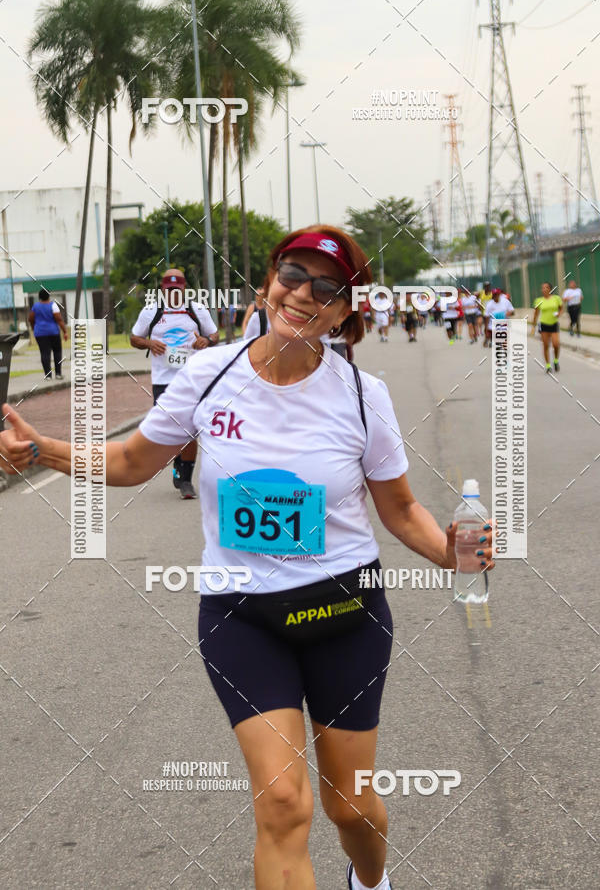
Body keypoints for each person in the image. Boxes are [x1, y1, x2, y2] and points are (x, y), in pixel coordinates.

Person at [0, 224, 494, 890]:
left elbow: (402, 510)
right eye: (293, 274)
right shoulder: (208, 375)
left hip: (344, 613)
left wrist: (453, 554)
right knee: (285, 805)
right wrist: (42, 452)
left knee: (352, 807)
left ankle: (370, 880)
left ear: (343, 312)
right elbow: (130, 460)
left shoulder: (360, 396)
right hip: (240, 617)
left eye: (328, 288)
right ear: (268, 280)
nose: (304, 295)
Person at [130, 268, 219, 498]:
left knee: (189, 429)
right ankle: (178, 467)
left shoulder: (196, 310)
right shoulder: (151, 311)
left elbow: (214, 335)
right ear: (162, 289)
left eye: (177, 289)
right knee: (171, 430)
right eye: (169, 290)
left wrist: (205, 340)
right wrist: (150, 344)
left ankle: (187, 480)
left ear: (184, 288)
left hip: (192, 378)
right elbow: (134, 338)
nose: (173, 294)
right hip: (163, 380)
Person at [28, 289, 68, 379]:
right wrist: (65, 332)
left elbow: (30, 319)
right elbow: (59, 319)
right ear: (48, 296)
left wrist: (34, 327)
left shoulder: (35, 306)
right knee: (57, 352)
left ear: (39, 297)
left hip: (40, 333)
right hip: (53, 332)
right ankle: (58, 374)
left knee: (44, 353)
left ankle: (48, 375)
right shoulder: (53, 305)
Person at [532, 281, 562, 373]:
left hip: (554, 324)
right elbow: (536, 313)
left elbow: (561, 308)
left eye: (546, 287)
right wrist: (533, 326)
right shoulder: (538, 300)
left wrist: (559, 314)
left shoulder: (556, 298)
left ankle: (556, 360)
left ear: (550, 289)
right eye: (543, 288)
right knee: (545, 345)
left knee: (556, 344)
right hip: (544, 324)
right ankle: (548, 365)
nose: (544, 289)